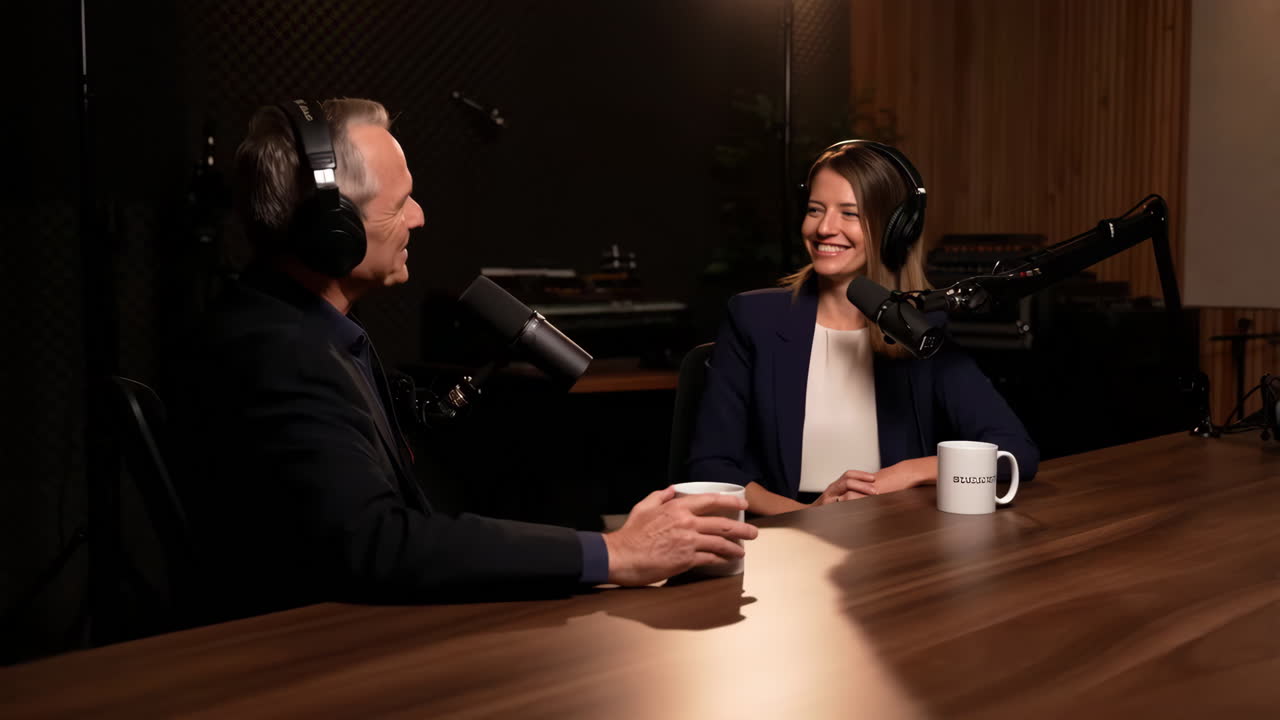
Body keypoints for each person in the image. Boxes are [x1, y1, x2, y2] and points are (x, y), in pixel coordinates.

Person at [173, 98, 756, 623]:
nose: (420, 217)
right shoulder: (277, 352)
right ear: (333, 231)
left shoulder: (305, 329)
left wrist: (603, 541)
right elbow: (380, 543)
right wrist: (616, 554)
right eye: (400, 204)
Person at [687, 140, 1038, 515]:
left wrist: (907, 473)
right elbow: (711, 467)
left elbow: (1015, 452)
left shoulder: (920, 327)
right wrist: (804, 517)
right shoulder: (754, 317)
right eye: (815, 210)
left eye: (850, 214)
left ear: (894, 232)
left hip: (891, 533)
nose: (824, 228)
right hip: (784, 534)